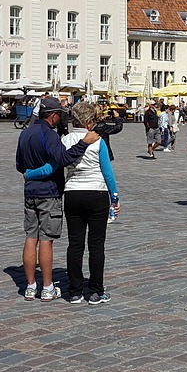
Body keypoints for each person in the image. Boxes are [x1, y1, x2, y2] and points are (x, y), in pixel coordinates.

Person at [15, 97, 101, 301]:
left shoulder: (25, 133)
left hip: (30, 192)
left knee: (30, 237)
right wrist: (83, 143)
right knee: (46, 239)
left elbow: (19, 165)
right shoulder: (49, 135)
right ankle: (46, 287)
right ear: (53, 115)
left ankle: (29, 286)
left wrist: (32, 173)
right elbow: (63, 159)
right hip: (49, 192)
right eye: (60, 115)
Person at [58, 102, 120, 304]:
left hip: (73, 193)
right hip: (96, 193)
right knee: (96, 245)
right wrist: (115, 196)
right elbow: (107, 172)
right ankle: (95, 290)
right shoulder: (97, 141)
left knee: (75, 244)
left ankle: (75, 290)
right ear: (88, 122)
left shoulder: (65, 140)